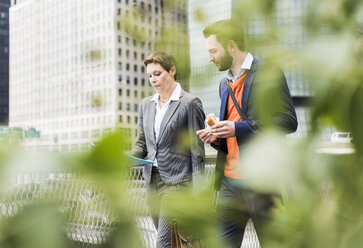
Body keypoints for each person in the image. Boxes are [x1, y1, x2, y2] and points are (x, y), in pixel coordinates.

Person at [196, 19, 298, 247]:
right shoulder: (224, 84)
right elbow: (233, 136)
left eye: (213, 51)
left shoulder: (268, 73)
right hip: (229, 185)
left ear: (231, 45)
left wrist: (236, 128)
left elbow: (289, 121)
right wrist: (217, 136)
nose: (210, 57)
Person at [130, 51, 205, 248]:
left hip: (178, 183)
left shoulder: (190, 103)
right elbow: (141, 144)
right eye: (149, 76)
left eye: (157, 73)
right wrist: (128, 157)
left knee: (162, 243)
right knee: (173, 241)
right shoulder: (146, 105)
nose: (152, 80)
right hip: (152, 182)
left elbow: (197, 154)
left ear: (172, 71)